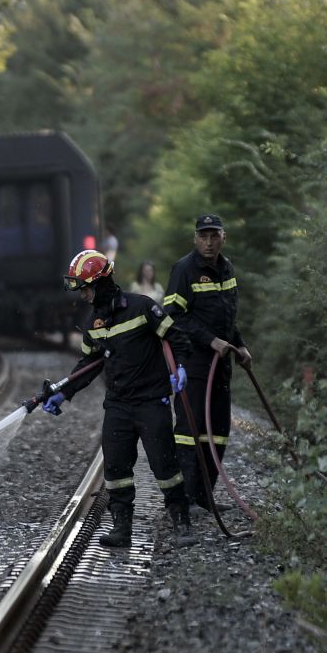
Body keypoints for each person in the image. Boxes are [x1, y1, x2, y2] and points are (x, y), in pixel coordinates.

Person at [41, 249, 197, 547]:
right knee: (115, 469)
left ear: (100, 283)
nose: (82, 295)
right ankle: (122, 528)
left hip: (153, 401)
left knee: (164, 466)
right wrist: (64, 393)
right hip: (118, 405)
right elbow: (87, 365)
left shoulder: (142, 308)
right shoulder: (93, 324)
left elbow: (175, 338)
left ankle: (181, 524)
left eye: (84, 288)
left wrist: (180, 367)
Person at [162, 215, 252, 513]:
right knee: (190, 430)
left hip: (221, 364)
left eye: (214, 236)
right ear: (195, 239)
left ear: (223, 237)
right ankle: (184, 499)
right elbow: (173, 315)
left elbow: (227, 316)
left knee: (219, 430)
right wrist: (209, 340)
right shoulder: (184, 269)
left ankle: (205, 495)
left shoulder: (227, 268)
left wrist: (239, 344)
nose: (209, 242)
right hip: (194, 364)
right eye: (203, 236)